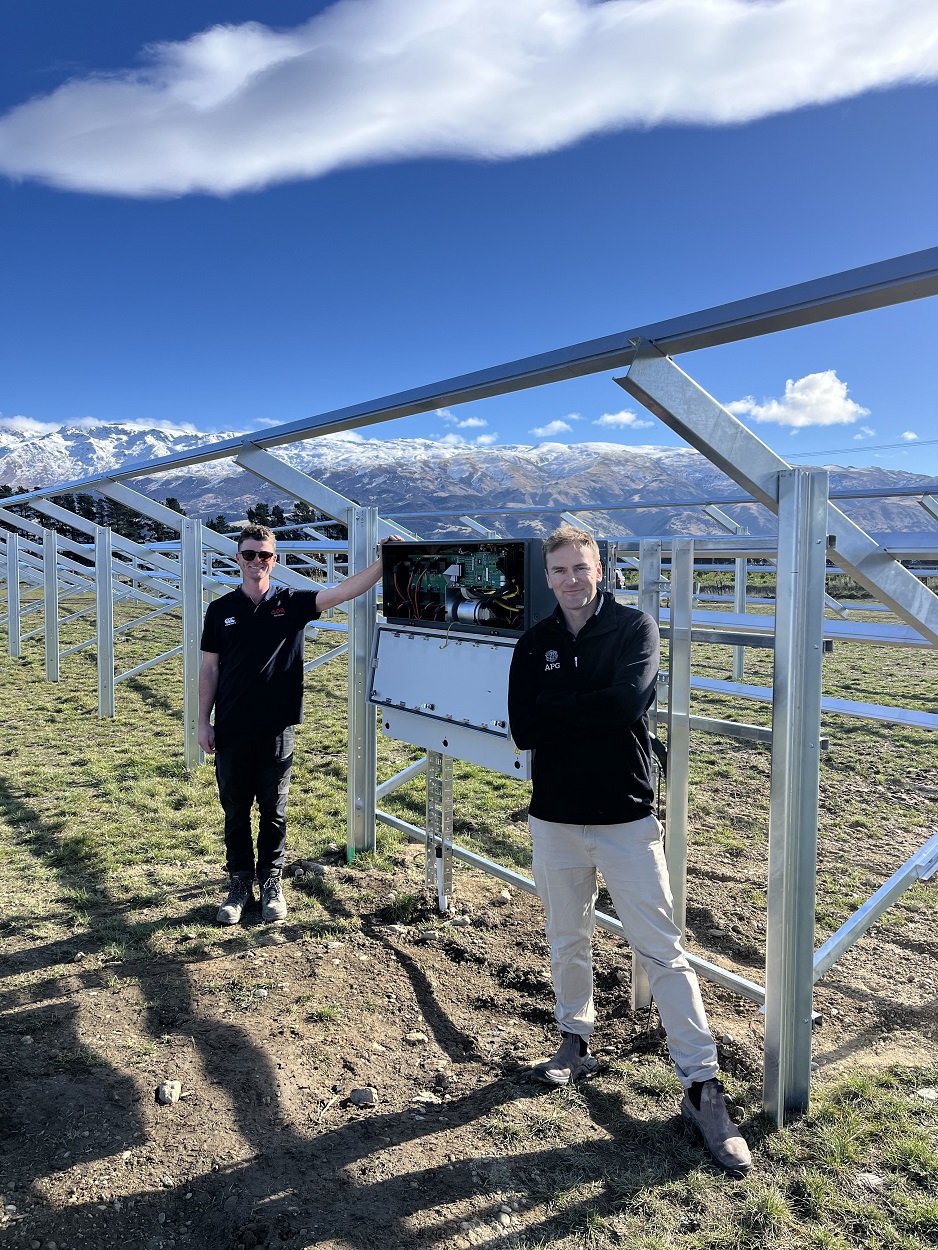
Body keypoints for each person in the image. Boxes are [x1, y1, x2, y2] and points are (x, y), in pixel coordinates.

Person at [507, 525, 752, 1175]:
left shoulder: (636, 629)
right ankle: (573, 1039)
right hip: (554, 818)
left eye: (580, 567)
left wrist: (563, 703)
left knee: (663, 951)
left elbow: (626, 704)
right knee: (567, 936)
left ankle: (702, 1087)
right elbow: (523, 725)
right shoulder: (534, 642)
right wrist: (581, 705)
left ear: (603, 569)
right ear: (547, 577)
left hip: (624, 818)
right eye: (558, 570)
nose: (570, 579)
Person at [199, 524, 394, 926]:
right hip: (231, 725)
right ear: (237, 558)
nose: (257, 562)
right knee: (235, 811)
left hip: (276, 727)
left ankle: (271, 882)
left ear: (275, 560)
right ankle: (239, 885)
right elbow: (209, 668)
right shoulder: (220, 610)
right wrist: (202, 720)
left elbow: (342, 592)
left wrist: (383, 564)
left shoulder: (292, 603)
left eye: (265, 555)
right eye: (250, 554)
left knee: (273, 811)